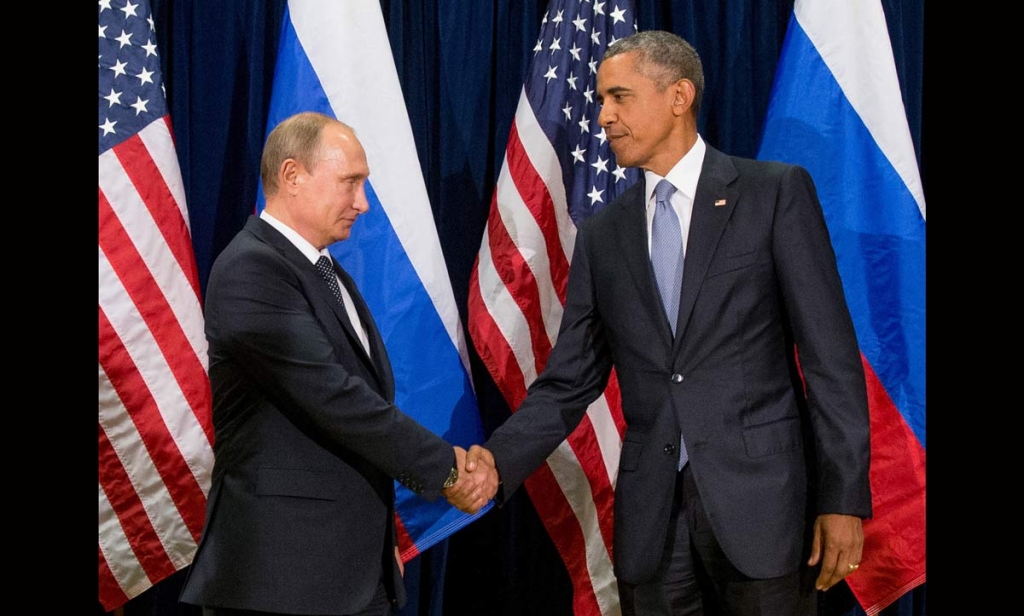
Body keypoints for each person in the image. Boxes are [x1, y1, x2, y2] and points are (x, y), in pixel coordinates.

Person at [453, 31, 871, 616]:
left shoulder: (771, 194)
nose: (603, 116)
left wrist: (845, 497)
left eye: (619, 97)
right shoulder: (604, 234)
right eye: (601, 100)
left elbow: (831, 359)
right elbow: (570, 379)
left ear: (679, 96)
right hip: (653, 523)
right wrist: (498, 462)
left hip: (764, 512)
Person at [179, 112, 489, 616]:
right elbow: (335, 398)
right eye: (350, 182)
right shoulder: (251, 270)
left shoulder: (324, 271)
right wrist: (449, 473)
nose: (363, 203)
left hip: (348, 570)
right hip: (281, 579)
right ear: (292, 176)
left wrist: (370, 545)